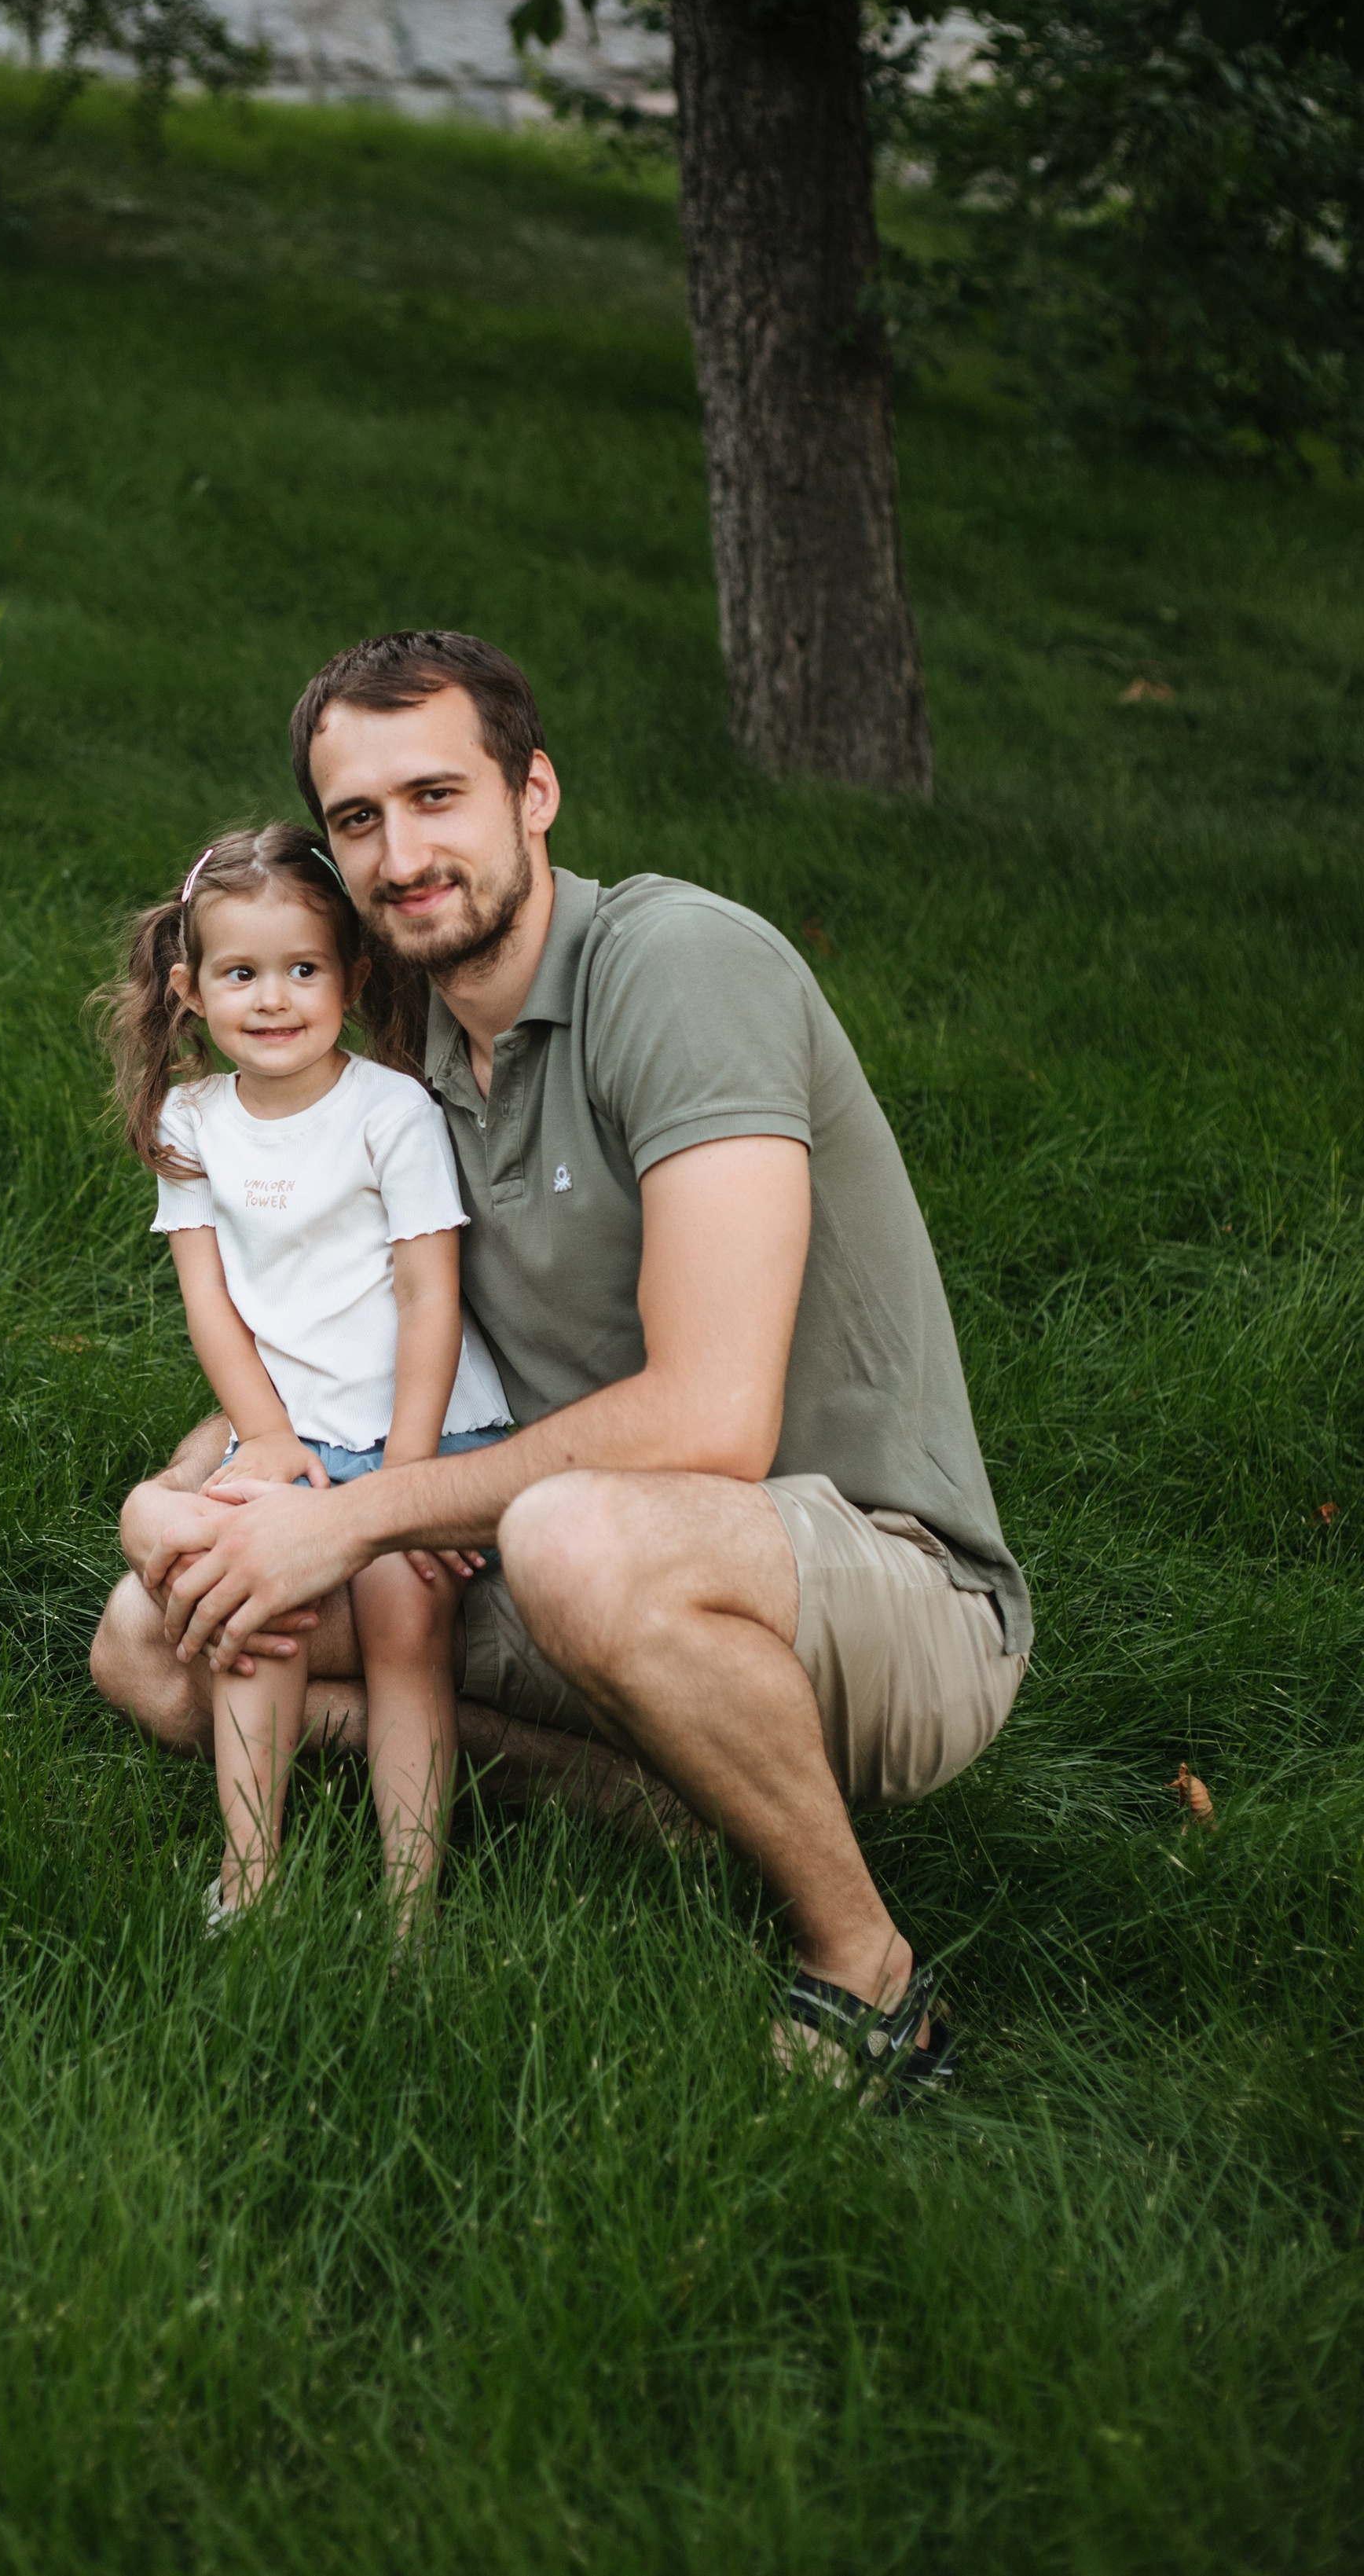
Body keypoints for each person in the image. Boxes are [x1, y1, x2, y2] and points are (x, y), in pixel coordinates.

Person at [93, 633, 1032, 2101]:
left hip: (863, 1572)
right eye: (357, 820)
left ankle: (873, 1977)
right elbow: (333, 1348)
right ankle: (650, 1792)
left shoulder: (676, 966)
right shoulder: (401, 1063)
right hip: (546, 1551)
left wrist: (360, 1516)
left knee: (568, 1531)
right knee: (158, 1639)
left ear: (535, 793)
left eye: (436, 795)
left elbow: (715, 1417)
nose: (400, 852)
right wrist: (188, 1494)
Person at [97, 820, 512, 1928]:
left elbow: (432, 1297)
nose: (273, 998)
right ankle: (251, 1871)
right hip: (289, 1428)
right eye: (241, 973)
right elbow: (211, 1303)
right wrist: (264, 1440)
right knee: (251, 1606)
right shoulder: (191, 1122)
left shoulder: (390, 1111)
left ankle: (409, 1901)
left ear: (350, 977)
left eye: (303, 970)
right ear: (191, 987)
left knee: (401, 1620)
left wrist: (410, 1482)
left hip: (420, 1427)